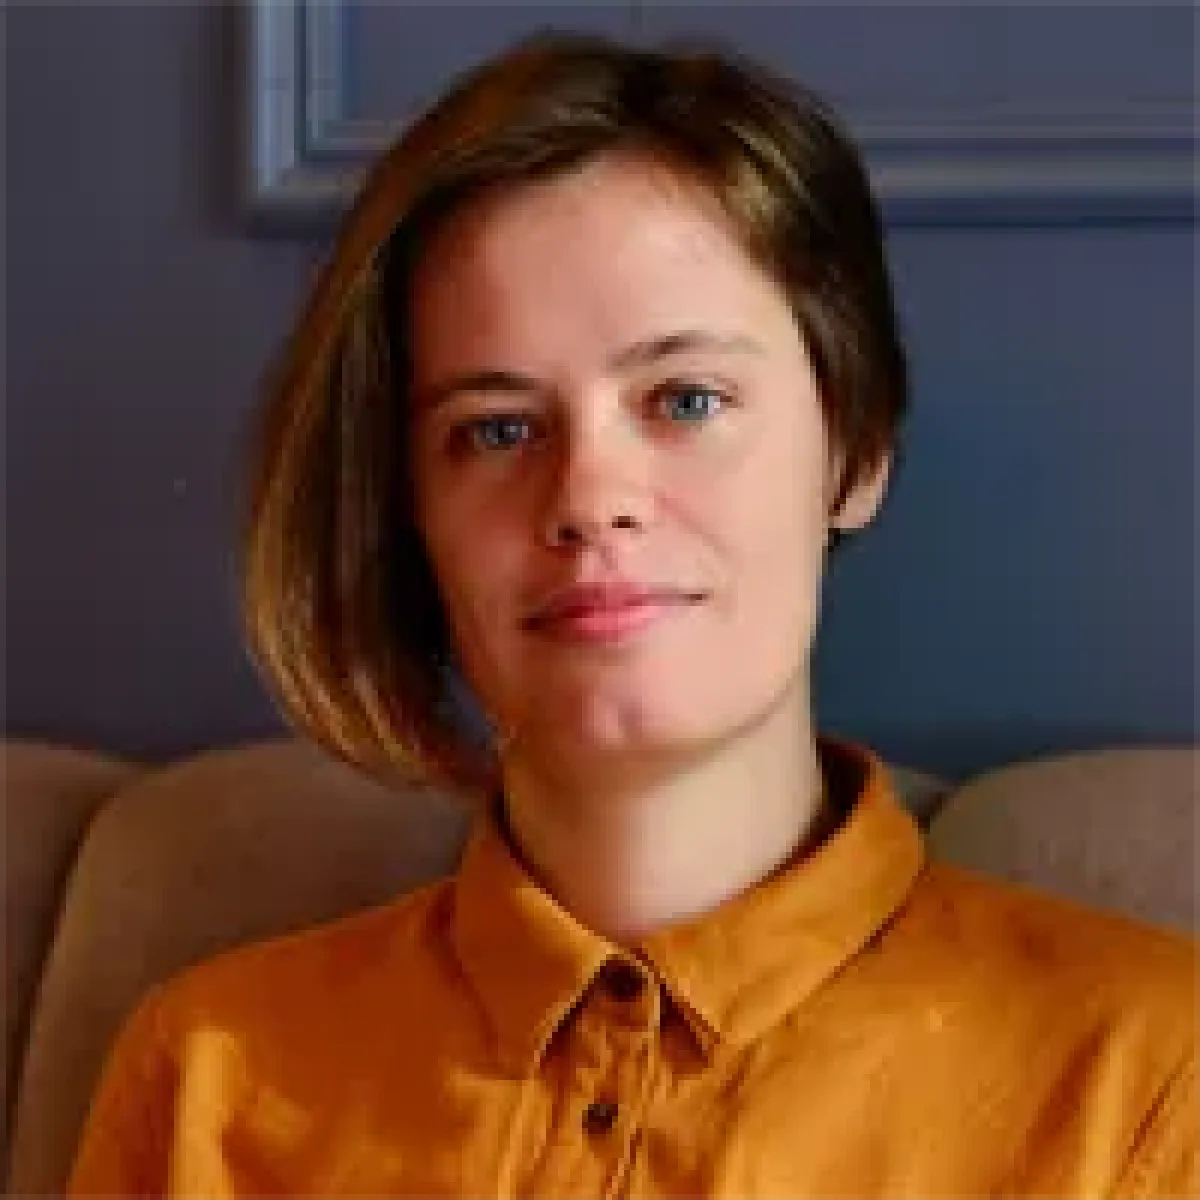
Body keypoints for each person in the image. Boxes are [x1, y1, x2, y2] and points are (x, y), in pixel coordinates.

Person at [70, 31, 1200, 1198]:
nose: (588, 498)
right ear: (410, 508)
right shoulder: (210, 1077)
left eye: (686, 400)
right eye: (498, 429)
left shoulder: (1149, 1078)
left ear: (855, 449)